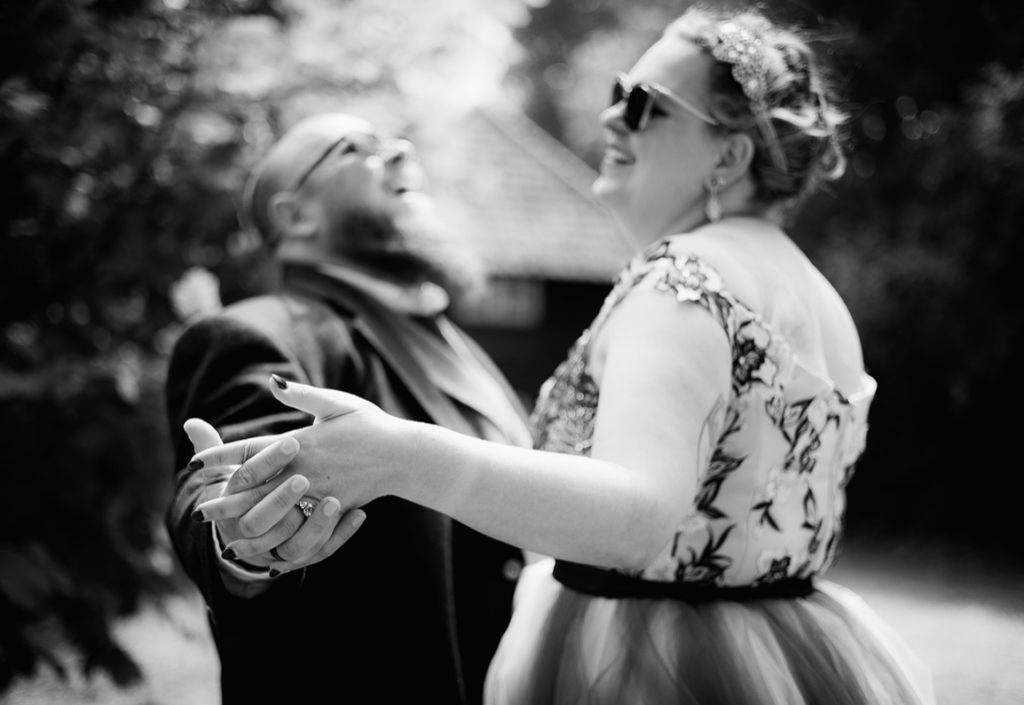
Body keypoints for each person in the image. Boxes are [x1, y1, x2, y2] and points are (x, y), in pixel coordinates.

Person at [190, 8, 936, 705]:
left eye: (644, 103)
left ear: (730, 154)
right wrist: (237, 532)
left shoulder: (682, 279)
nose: (613, 115)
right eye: (618, 93)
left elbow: (637, 515)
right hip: (786, 653)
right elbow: (215, 486)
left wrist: (402, 456)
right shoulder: (816, 298)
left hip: (652, 665)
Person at [165, 113, 533, 704]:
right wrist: (243, 537)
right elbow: (220, 484)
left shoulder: (450, 341)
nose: (401, 149)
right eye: (358, 147)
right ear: (296, 216)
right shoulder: (263, 332)